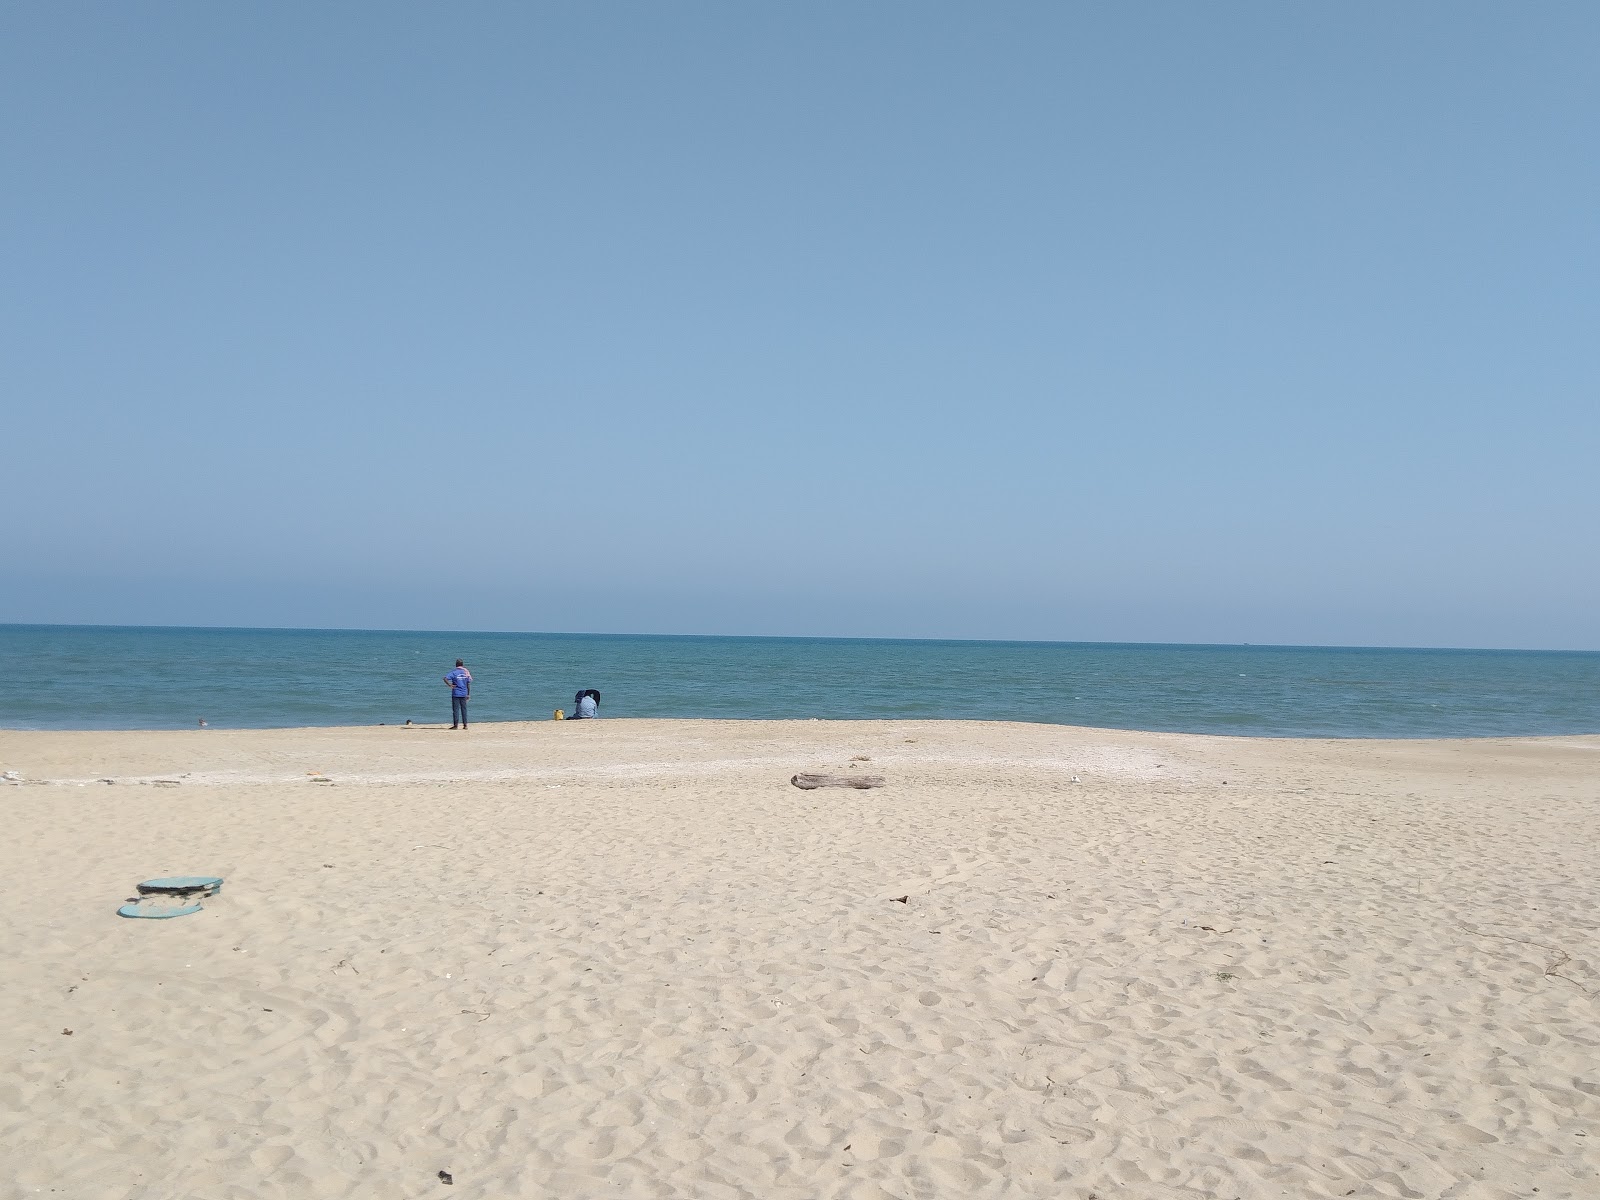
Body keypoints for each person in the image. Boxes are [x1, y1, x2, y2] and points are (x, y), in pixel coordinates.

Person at [443, 660, 472, 729]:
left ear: (456, 665)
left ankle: (456, 725)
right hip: (464, 693)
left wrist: (450, 685)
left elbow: (445, 678)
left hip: (456, 693)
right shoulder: (466, 673)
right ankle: (465, 725)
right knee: (464, 709)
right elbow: (468, 684)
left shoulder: (454, 673)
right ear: (462, 665)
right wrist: (468, 694)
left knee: (456, 710)